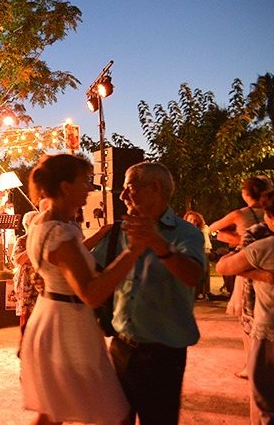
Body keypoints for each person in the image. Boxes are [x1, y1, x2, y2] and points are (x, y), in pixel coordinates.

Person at [21, 154, 143, 425]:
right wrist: (134, 250)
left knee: (54, 413)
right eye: (84, 182)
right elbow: (91, 293)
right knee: (115, 413)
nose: (89, 189)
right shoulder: (59, 234)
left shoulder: (44, 223)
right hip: (67, 327)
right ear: (66, 187)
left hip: (53, 316)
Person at [91, 161, 205, 425]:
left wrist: (157, 242)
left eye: (128, 188)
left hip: (163, 354)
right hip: (119, 348)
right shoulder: (118, 231)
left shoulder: (186, 233)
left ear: (154, 188)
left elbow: (192, 276)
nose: (121, 196)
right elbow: (94, 276)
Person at [215, 188, 274, 424]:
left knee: (272, 407)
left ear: (272, 218)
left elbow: (223, 267)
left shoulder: (265, 248)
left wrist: (264, 275)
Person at [209, 176, 270, 295]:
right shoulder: (271, 212)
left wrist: (234, 237)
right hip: (268, 257)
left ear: (245, 193)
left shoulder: (239, 214)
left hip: (246, 259)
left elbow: (212, 228)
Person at [10, 210, 43, 336]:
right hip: (26, 282)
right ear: (28, 225)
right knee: (27, 314)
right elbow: (18, 260)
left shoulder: (43, 239)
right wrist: (33, 245)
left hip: (40, 280)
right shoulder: (22, 241)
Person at [183, 211, 212, 299]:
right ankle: (196, 293)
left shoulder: (203, 229)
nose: (192, 222)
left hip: (205, 251)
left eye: (195, 220)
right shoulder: (184, 230)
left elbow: (207, 231)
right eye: (190, 219)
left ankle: (205, 292)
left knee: (205, 272)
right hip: (193, 251)